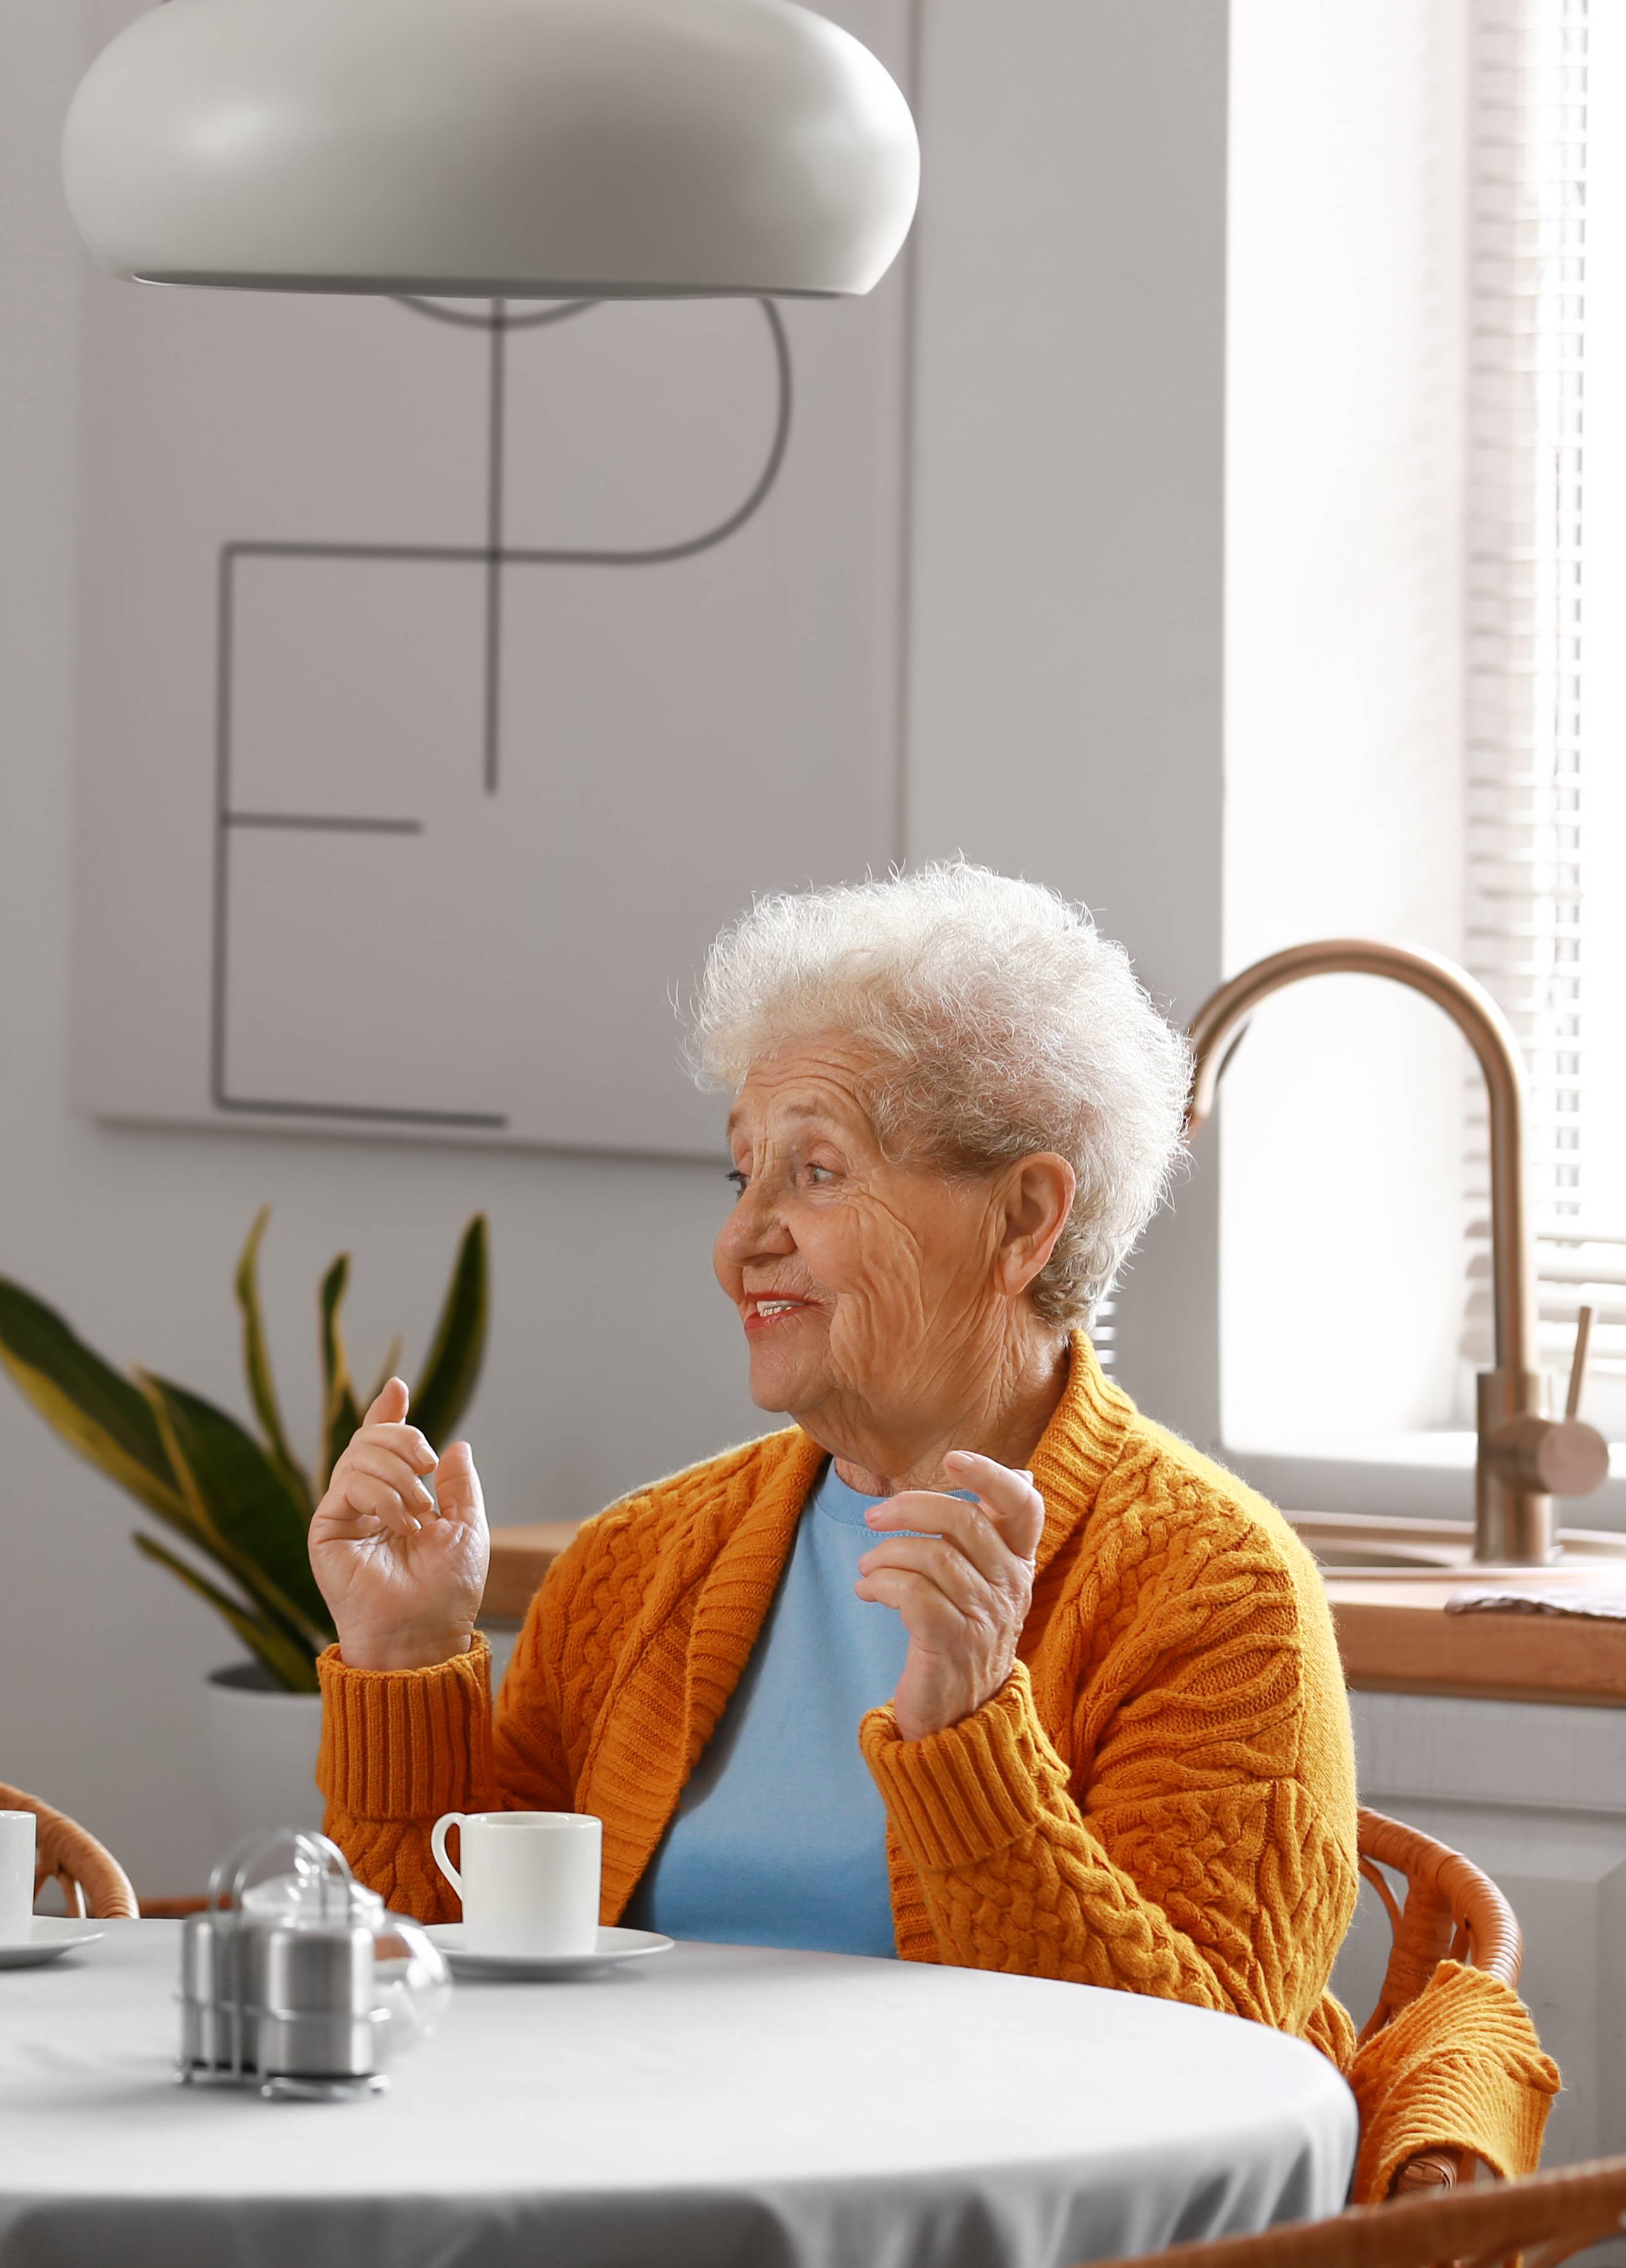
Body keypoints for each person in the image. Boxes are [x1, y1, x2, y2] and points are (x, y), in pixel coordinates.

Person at [307, 861, 1554, 2199]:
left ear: (1022, 1217)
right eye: (740, 1173)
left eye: (816, 1170)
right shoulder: (639, 1561)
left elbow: (1203, 2091)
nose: (739, 1243)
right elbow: (436, 2000)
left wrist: (970, 1744)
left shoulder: (1212, 1587)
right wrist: (407, 1656)